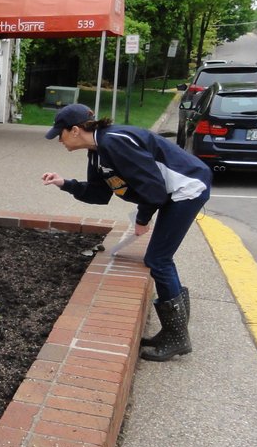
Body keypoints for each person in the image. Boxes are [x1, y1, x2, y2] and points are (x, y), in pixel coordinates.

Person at [41, 103, 211, 361]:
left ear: (74, 130)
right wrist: (64, 183)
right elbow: (99, 194)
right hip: (172, 194)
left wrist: (143, 219)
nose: (59, 140)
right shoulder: (97, 151)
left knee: (158, 259)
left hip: (188, 188)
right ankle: (174, 332)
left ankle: (177, 337)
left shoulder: (115, 142)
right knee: (160, 257)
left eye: (60, 134)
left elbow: (152, 188)